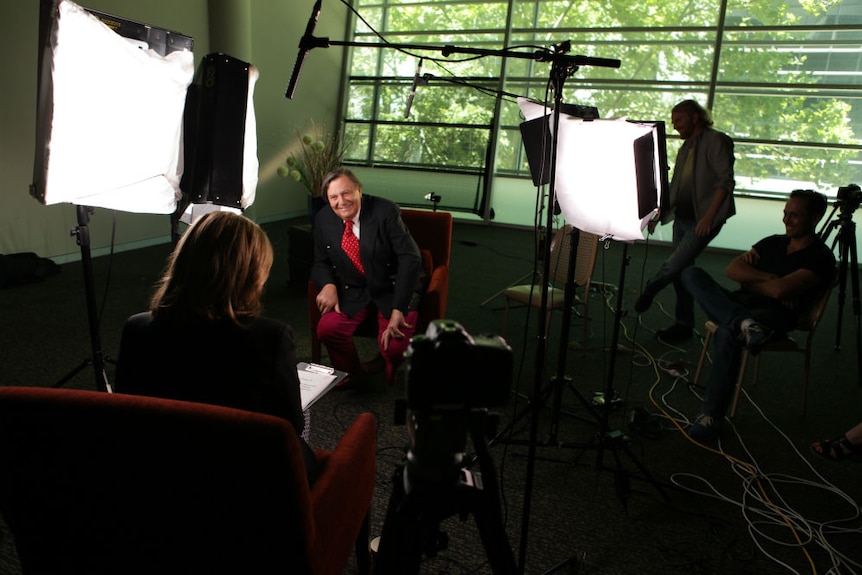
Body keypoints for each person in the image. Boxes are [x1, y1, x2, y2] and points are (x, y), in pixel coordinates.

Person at [114, 211, 318, 483]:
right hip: (240, 474)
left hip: (158, 466)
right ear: (249, 275)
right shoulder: (270, 337)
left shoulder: (137, 329)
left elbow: (127, 412)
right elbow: (288, 426)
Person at [680, 189, 835, 444]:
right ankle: (743, 322)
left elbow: (779, 292)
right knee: (690, 274)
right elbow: (733, 270)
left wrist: (758, 280)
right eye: (786, 213)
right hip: (741, 305)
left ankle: (711, 416)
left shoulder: (821, 258)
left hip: (773, 316)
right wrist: (772, 279)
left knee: (728, 332)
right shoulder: (773, 242)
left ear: (815, 218)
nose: (786, 220)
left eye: (795, 215)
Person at [635, 100, 736, 342]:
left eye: (678, 120)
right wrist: (659, 215)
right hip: (683, 218)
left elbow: (725, 182)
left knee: (673, 265)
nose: (675, 125)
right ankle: (683, 325)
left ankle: (650, 289)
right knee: (682, 271)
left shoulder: (717, 141)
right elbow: (676, 185)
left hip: (704, 220)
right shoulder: (685, 148)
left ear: (695, 117)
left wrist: (709, 218)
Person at [311, 168, 424, 385]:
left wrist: (399, 307)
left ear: (359, 190)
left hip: (392, 286)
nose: (341, 201)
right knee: (328, 329)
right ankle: (352, 374)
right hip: (354, 288)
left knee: (394, 348)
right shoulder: (324, 218)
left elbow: (410, 258)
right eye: (333, 197)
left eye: (346, 193)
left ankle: (387, 366)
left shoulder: (385, 211)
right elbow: (319, 261)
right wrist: (328, 285)